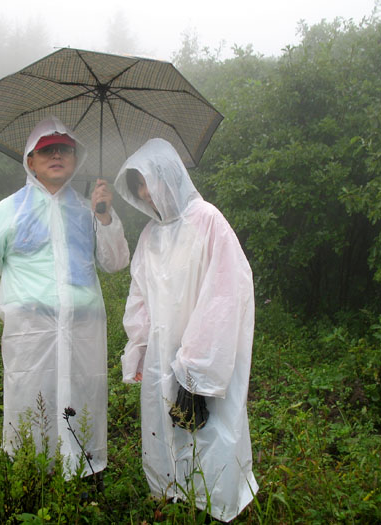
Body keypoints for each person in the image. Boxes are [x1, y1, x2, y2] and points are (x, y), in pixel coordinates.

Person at [0, 116, 129, 478]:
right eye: (46, 150)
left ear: (75, 159)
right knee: (30, 396)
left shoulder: (88, 209)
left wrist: (105, 214)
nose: (56, 155)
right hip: (31, 329)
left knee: (83, 393)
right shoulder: (8, 211)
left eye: (64, 149)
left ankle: (82, 464)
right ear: (30, 160)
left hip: (83, 328)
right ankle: (30, 467)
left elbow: (115, 263)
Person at [113, 138, 258, 522]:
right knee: (163, 419)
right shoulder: (149, 235)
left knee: (208, 427)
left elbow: (226, 294)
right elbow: (139, 296)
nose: (145, 193)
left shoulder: (208, 220)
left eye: (147, 181)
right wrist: (139, 348)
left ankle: (212, 500)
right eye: (137, 186)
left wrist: (196, 366)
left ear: (169, 175)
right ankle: (167, 490)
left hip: (200, 355)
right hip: (162, 353)